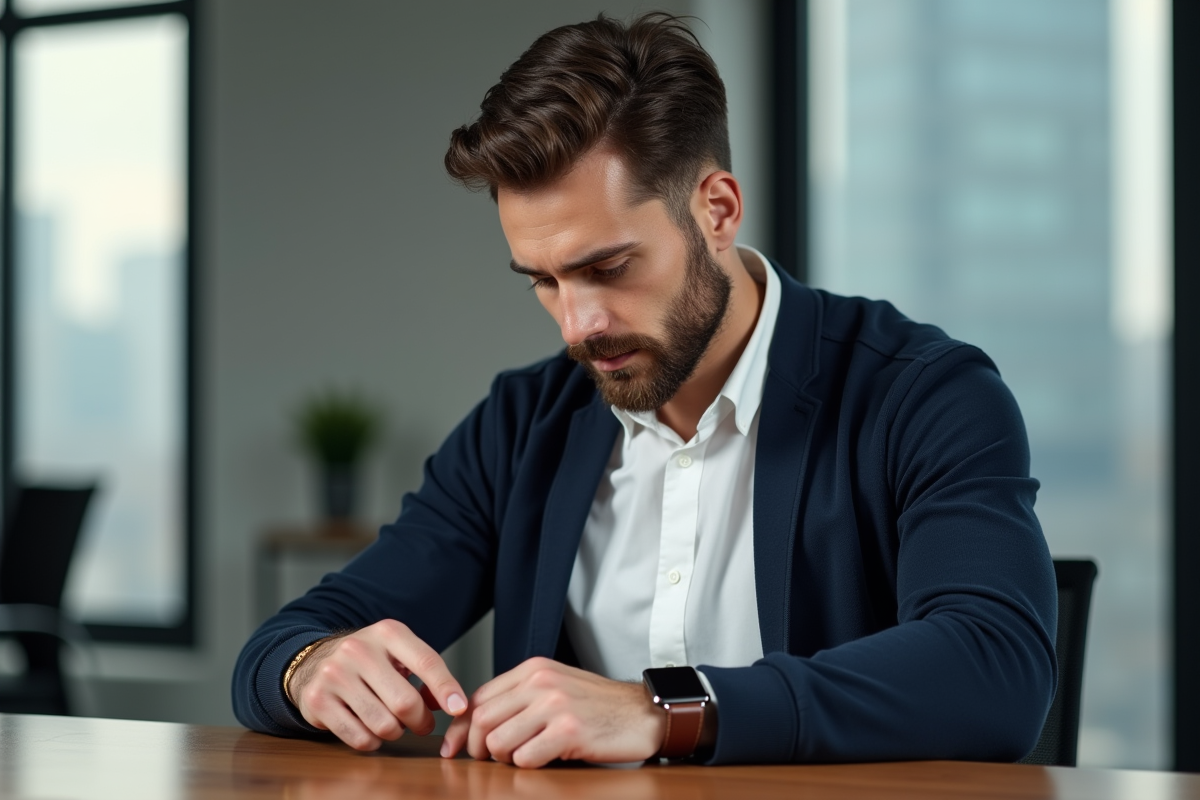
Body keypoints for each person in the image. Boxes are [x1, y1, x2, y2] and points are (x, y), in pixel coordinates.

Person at [232, 12, 1057, 768]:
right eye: (544, 280)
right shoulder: (520, 426)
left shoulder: (925, 396)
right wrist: (311, 667)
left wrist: (665, 709)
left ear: (717, 210)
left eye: (608, 267)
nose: (578, 326)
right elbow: (285, 643)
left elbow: (996, 667)